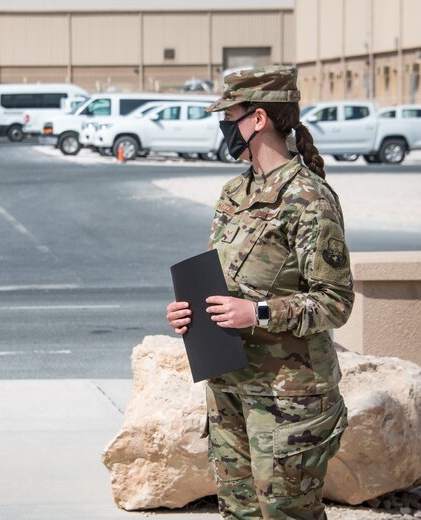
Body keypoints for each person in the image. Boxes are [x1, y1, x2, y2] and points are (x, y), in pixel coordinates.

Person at [165, 66, 353, 519]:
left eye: (230, 114)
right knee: (239, 511)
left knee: (286, 513)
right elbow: (222, 280)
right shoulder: (235, 192)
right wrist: (189, 313)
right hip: (229, 383)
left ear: (258, 118)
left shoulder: (309, 198)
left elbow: (335, 301)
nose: (224, 125)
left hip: (289, 398)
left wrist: (259, 313)